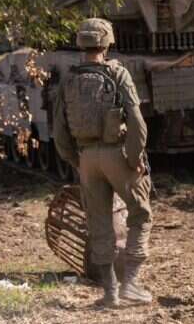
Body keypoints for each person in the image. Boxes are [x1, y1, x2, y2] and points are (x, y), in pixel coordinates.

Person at [53, 18, 153, 308]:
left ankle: (110, 292)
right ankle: (131, 284)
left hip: (86, 158)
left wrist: (78, 161)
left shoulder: (69, 78)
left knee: (98, 225)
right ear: (107, 42)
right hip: (116, 154)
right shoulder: (117, 73)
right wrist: (134, 158)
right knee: (140, 214)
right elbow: (136, 122)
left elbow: (59, 132)